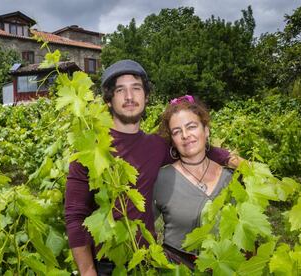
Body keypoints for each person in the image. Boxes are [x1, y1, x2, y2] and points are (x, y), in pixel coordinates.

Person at [65, 60, 235, 276]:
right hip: (107, 265)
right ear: (109, 100)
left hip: (147, 262)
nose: (129, 96)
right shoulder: (89, 148)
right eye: (120, 90)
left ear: (145, 97)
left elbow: (191, 147)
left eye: (136, 88)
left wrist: (229, 158)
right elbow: (75, 215)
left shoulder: (156, 146)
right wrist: (88, 271)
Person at [153, 95, 237, 270]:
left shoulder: (231, 178)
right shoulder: (161, 178)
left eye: (191, 127)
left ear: (205, 130)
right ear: (173, 141)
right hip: (176, 269)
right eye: (176, 131)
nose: (185, 135)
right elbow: (142, 228)